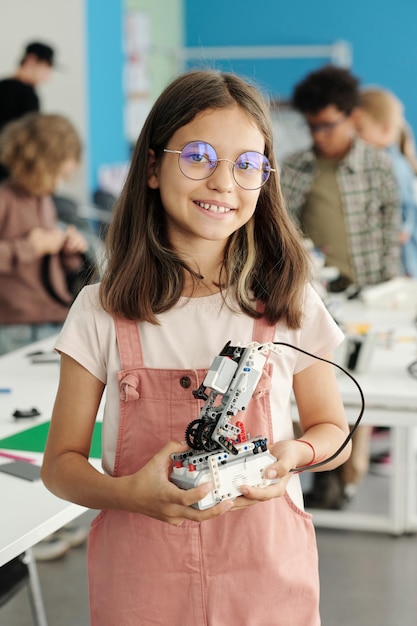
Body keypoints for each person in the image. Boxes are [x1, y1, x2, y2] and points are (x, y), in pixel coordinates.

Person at [41, 69, 351, 626]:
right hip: (140, 580)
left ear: (265, 179)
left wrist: (293, 455)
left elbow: (334, 434)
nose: (223, 183)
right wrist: (132, 493)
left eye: (247, 165)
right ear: (154, 167)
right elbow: (60, 466)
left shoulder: (286, 300)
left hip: (265, 577)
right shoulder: (101, 310)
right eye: (199, 156)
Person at [280, 65, 402, 510]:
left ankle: (346, 477)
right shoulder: (296, 167)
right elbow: (281, 226)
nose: (319, 135)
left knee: (359, 384)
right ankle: (311, 474)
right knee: (311, 388)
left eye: (328, 125)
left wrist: (393, 286)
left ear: (352, 116)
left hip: (372, 294)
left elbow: (390, 225)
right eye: (311, 126)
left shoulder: (376, 165)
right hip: (315, 298)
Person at [0, 112, 91, 356]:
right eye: (57, 175)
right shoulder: (5, 200)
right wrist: (31, 247)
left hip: (54, 320)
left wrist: (68, 252)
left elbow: (49, 266)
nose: (58, 184)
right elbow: (31, 250)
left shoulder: (45, 200)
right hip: (15, 328)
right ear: (37, 164)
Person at [357, 87, 417, 278]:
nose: (354, 137)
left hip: (401, 260)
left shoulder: (391, 165)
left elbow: (403, 214)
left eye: (360, 129)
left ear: (385, 129)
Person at [0, 41, 55, 181]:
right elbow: (30, 139)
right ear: (31, 60)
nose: (48, 75)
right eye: (46, 67)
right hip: (12, 173)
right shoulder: (28, 95)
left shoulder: (3, 86)